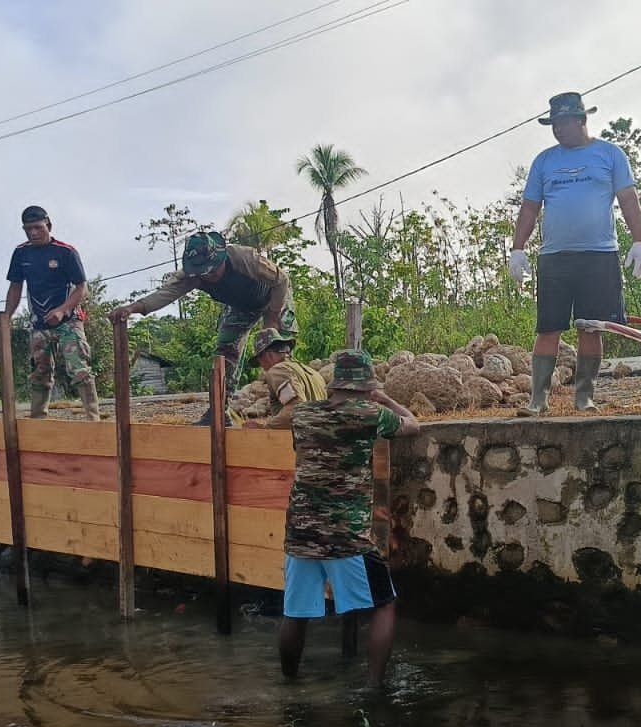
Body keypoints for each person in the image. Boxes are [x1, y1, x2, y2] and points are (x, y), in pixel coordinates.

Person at [280, 350, 419, 688]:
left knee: (296, 613)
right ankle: (372, 690)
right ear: (364, 387)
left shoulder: (302, 415)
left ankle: (288, 685)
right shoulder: (370, 414)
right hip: (346, 536)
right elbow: (413, 424)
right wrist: (383, 397)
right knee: (385, 605)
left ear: (335, 385)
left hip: (300, 531)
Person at [508, 91, 641, 416]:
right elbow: (529, 208)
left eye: (563, 123)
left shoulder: (610, 155)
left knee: (591, 327)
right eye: (553, 124)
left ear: (582, 120)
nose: (558, 129)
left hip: (599, 256)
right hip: (555, 257)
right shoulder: (544, 161)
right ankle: (538, 400)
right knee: (548, 328)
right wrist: (518, 249)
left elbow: (628, 199)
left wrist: (639, 240)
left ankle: (584, 395)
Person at [109, 230, 294, 424]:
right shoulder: (192, 275)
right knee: (225, 352)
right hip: (242, 307)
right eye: (204, 273)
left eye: (213, 270)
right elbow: (165, 294)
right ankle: (218, 412)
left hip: (274, 298)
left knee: (278, 350)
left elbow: (281, 281)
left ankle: (292, 407)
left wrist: (272, 317)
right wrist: (132, 308)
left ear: (220, 258)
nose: (210, 276)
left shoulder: (244, 258)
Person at [4, 205, 100, 420]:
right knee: (40, 373)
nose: (33, 233)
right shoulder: (21, 253)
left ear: (48, 225)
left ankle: (93, 419)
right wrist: (6, 318)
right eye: (28, 229)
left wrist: (62, 310)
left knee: (79, 370)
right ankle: (38, 420)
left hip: (68, 321)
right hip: (39, 323)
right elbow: (15, 287)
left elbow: (81, 287)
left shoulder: (65, 252)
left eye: (38, 228)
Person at [245, 327, 326, 429]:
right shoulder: (314, 374)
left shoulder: (277, 370)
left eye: (260, 362)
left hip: (298, 441)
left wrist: (265, 428)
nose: (263, 368)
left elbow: (295, 409)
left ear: (267, 356)